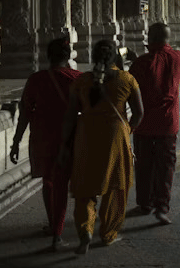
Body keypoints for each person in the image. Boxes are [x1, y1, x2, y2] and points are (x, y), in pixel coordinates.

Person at [59, 40, 144, 255]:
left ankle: (85, 230)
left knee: (84, 188)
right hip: (116, 136)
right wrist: (128, 130)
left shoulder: (82, 81)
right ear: (116, 56)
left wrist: (64, 144)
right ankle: (108, 233)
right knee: (115, 187)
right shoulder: (127, 79)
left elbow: (70, 116)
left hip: (86, 135)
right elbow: (139, 113)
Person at [9, 38, 81, 250]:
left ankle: (53, 226)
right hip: (69, 138)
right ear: (68, 56)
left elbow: (24, 113)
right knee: (61, 184)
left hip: (41, 137)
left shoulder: (36, 79)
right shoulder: (77, 79)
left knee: (49, 182)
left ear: (47, 56)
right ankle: (57, 233)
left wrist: (16, 142)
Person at [129, 22, 180, 225]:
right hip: (168, 123)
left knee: (144, 164)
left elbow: (132, 85)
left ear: (149, 38)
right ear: (167, 38)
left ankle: (145, 202)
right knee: (166, 165)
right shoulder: (178, 58)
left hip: (143, 123)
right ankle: (162, 207)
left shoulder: (141, 63)